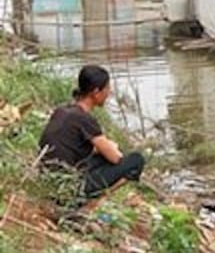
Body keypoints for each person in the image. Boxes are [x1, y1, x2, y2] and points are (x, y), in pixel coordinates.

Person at [39, 65, 145, 198]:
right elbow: (116, 157)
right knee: (136, 160)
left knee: (102, 157)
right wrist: (112, 147)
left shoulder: (62, 111)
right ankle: (91, 203)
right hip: (71, 186)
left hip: (50, 179)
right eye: (107, 88)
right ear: (96, 92)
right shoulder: (84, 119)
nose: (109, 93)